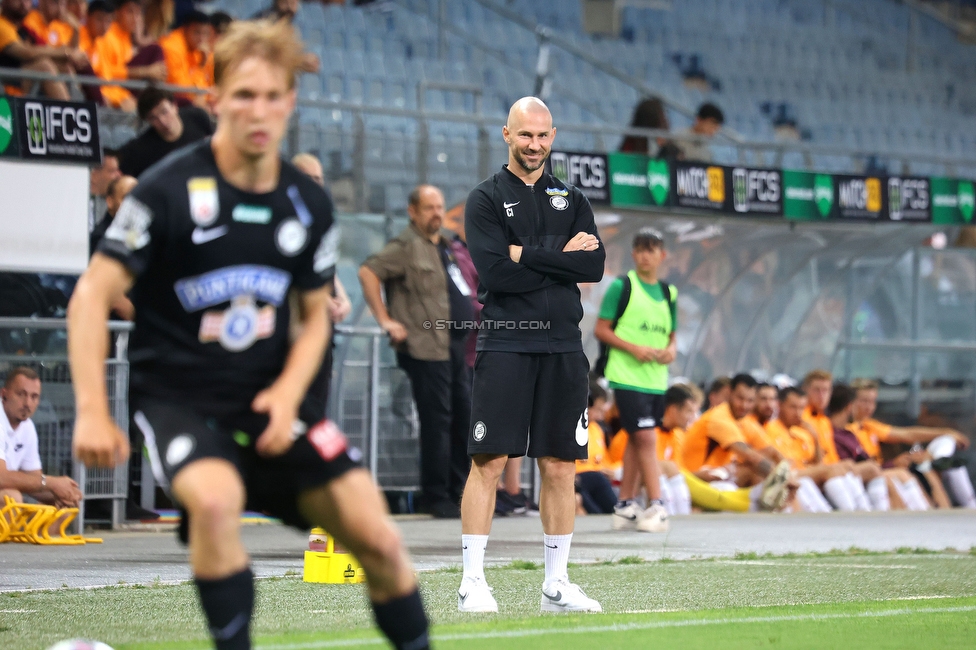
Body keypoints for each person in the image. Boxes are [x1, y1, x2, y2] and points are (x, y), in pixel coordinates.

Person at [68, 19, 430, 650]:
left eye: (271, 96)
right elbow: (90, 296)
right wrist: (94, 413)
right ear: (215, 102)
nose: (257, 111)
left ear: (290, 102)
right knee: (214, 503)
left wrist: (290, 395)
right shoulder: (164, 194)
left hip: (270, 403)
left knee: (380, 541)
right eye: (242, 95)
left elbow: (316, 315)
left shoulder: (307, 205)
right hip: (180, 401)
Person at [458, 96, 605, 614]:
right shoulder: (484, 199)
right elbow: (495, 273)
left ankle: (556, 585)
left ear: (553, 135)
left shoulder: (571, 197)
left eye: (543, 136)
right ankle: (473, 581)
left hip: (564, 346)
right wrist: (563, 258)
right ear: (507, 135)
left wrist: (532, 255)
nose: (535, 145)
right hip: (507, 341)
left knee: (561, 466)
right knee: (490, 460)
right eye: (525, 135)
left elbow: (594, 267)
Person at [359, 184, 472, 518]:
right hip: (425, 348)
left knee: (462, 419)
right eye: (429, 208)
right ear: (413, 211)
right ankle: (435, 497)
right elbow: (368, 272)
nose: (436, 213)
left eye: (439, 207)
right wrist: (386, 320)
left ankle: (459, 494)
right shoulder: (405, 246)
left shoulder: (447, 247)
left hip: (454, 346)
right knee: (437, 421)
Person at [594, 227, 676, 533]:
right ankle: (657, 504)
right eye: (640, 249)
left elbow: (672, 337)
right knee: (646, 438)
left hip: (656, 379)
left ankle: (625, 504)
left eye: (651, 249)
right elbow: (601, 329)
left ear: (662, 255)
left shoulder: (669, 293)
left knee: (635, 436)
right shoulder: (622, 286)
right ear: (633, 254)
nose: (645, 255)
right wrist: (633, 349)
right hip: (626, 376)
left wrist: (670, 351)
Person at [850, 379, 973, 509]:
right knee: (908, 473)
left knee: (934, 468)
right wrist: (893, 463)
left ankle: (962, 508)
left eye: (873, 401)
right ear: (850, 402)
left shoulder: (868, 425)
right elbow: (863, 465)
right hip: (872, 476)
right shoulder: (846, 430)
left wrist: (946, 432)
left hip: (884, 470)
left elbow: (907, 434)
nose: (869, 407)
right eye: (864, 401)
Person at [292, 152, 351, 420]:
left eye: (319, 179)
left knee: (318, 407)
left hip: (323, 330)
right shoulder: (284, 215)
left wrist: (343, 298)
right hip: (294, 331)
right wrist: (318, 299)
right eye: (309, 178)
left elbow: (328, 267)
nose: (315, 184)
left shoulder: (320, 218)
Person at [680, 373, 791, 510]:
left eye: (750, 401)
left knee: (763, 473)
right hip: (696, 478)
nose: (744, 405)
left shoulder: (745, 420)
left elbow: (771, 451)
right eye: (740, 398)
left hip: (719, 477)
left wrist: (787, 474)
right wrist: (782, 478)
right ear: (729, 393)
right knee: (756, 471)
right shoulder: (718, 418)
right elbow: (750, 456)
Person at [1, 367, 82, 508]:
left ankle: (34, 531)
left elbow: (34, 481)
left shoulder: (27, 426)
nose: (27, 403)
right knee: (10, 498)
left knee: (62, 505)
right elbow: (1, 477)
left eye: (34, 397)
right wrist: (50, 483)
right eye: (21, 394)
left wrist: (64, 492)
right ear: (4, 395)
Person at [118, 87, 214, 178]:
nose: (162, 121)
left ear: (174, 106)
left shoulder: (198, 117)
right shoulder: (142, 148)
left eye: (164, 112)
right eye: (153, 118)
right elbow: (117, 161)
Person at [0, 0, 86, 99]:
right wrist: (67, 53)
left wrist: (70, 52)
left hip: (21, 78)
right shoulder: (2, 25)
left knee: (64, 67)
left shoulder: (23, 28)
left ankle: (77, 107)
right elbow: (28, 53)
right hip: (7, 79)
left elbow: (47, 49)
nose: (23, 3)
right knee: (44, 66)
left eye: (27, 0)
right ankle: (68, 111)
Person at [92, 0, 167, 111]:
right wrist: (146, 71)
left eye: (138, 13)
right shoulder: (107, 34)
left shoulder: (126, 35)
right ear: (117, 13)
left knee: (156, 50)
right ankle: (157, 103)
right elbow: (105, 73)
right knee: (155, 50)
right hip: (113, 88)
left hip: (123, 86)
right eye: (130, 12)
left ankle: (158, 101)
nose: (135, 18)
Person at [574, 383, 618, 515]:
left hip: (596, 477)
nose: (600, 416)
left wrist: (608, 470)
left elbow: (602, 459)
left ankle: (615, 511)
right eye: (597, 410)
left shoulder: (597, 429)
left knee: (600, 481)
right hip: (577, 478)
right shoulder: (574, 428)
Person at [159, 10, 214, 106]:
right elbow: (181, 88)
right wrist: (200, 68)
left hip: (189, 100)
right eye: (197, 32)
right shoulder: (172, 47)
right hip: (170, 100)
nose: (201, 38)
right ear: (185, 29)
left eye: (205, 33)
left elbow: (209, 85)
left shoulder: (200, 50)